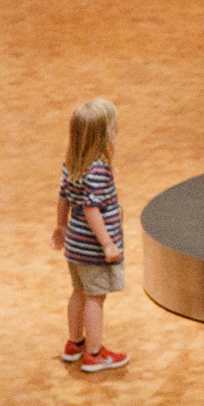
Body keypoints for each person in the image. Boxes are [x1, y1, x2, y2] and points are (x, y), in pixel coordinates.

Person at [57, 97, 130, 374]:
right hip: (93, 249)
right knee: (95, 298)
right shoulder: (98, 168)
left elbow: (63, 197)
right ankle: (95, 353)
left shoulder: (71, 163)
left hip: (75, 245)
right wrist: (108, 243)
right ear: (105, 134)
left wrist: (60, 227)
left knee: (78, 291)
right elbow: (91, 209)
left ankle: (74, 343)